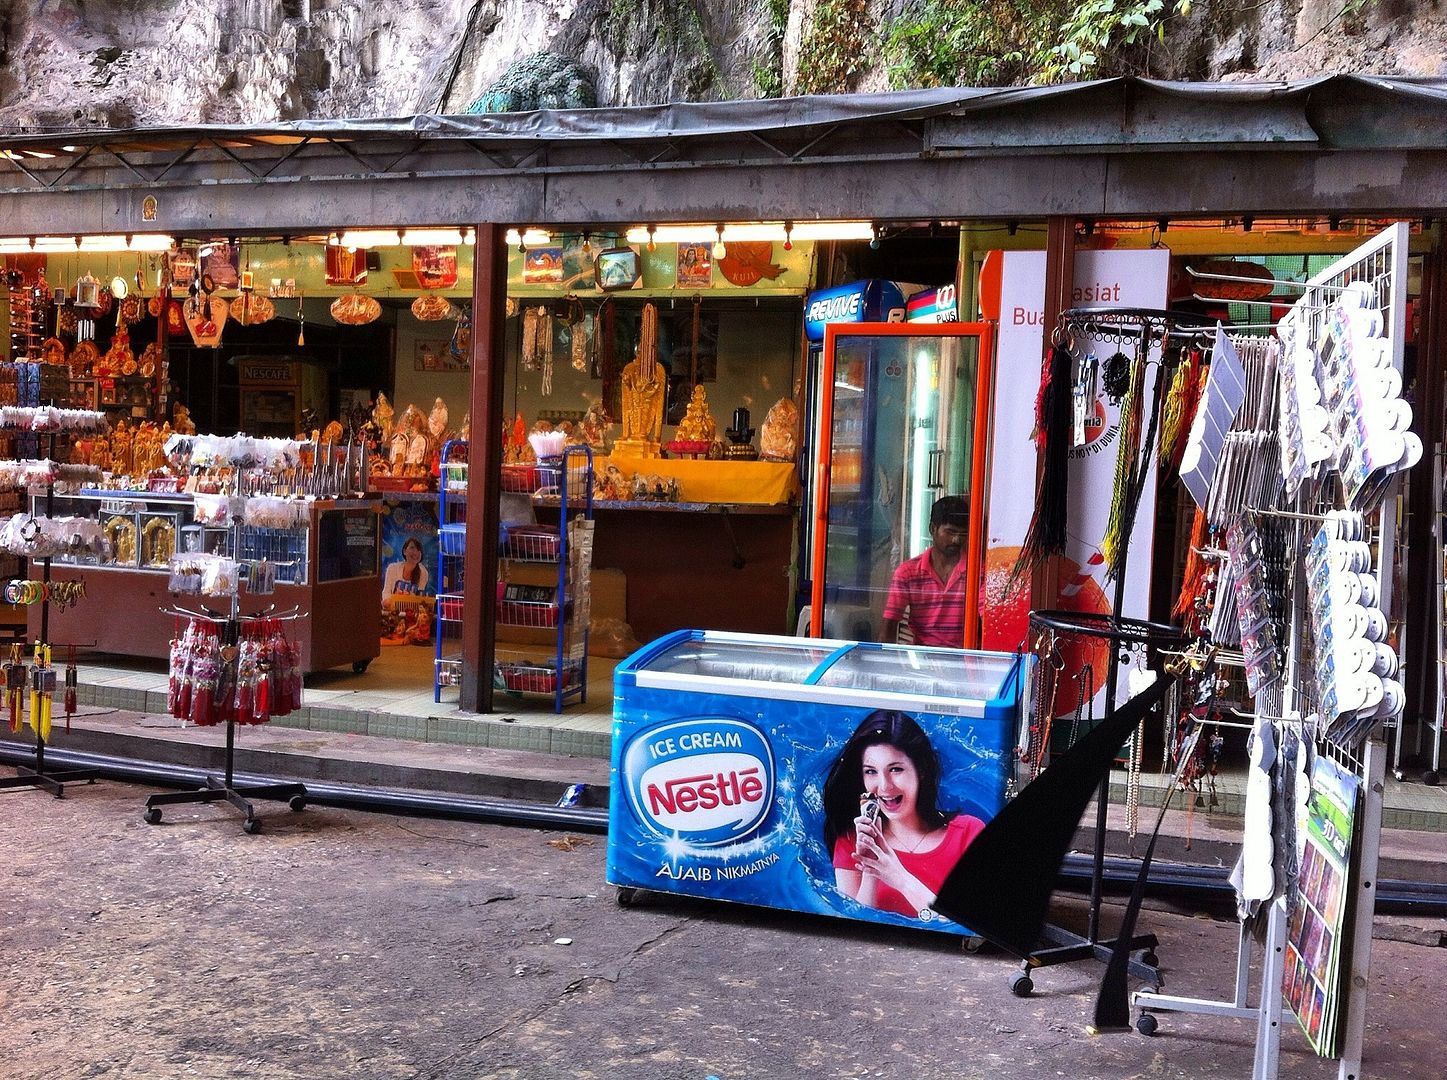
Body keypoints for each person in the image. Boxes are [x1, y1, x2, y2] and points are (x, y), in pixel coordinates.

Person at [823, 710, 985, 921]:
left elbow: (969, 924)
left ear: (921, 771)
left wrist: (899, 878)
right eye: (871, 771)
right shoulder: (851, 839)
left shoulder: (968, 834)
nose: (884, 786)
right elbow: (854, 926)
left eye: (896, 769)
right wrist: (871, 869)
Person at [882, 495, 970, 648]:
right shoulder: (907, 573)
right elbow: (889, 625)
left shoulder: (977, 573)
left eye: (962, 534)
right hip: (922, 660)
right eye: (950, 532)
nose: (956, 540)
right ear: (932, 529)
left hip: (964, 660)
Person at [382, 536, 429, 601]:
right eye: (412, 548)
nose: (415, 552)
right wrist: (386, 602)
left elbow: (419, 598)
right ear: (404, 551)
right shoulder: (392, 568)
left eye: (419, 550)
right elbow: (386, 592)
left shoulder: (423, 572)